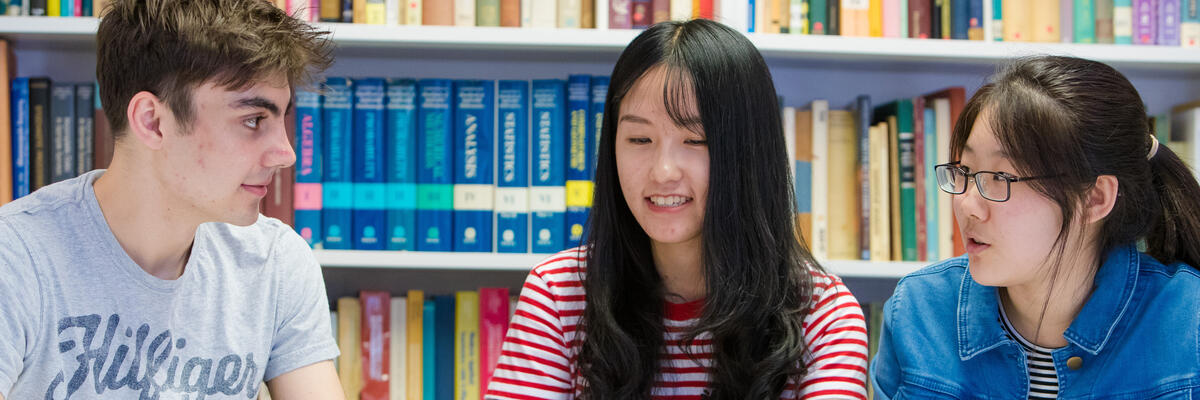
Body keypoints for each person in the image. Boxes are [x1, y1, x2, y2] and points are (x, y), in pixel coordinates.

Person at [485, 19, 869, 400]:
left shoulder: (822, 313)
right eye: (639, 138)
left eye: (695, 139)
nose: (663, 171)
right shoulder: (559, 294)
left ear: (750, 153)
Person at [0, 0, 344, 398]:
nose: (287, 154)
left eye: (281, 120)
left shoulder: (277, 262)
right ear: (152, 122)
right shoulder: (16, 257)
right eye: (253, 121)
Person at [870, 55, 1200, 399]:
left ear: (1095, 198)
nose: (967, 205)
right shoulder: (919, 311)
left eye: (1001, 178)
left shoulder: (1189, 323)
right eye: (965, 172)